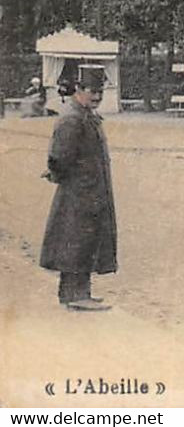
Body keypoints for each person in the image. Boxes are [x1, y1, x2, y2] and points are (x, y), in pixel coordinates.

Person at [40, 75, 117, 311]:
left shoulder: (84, 116)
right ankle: (75, 294)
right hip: (78, 192)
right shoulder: (72, 119)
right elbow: (59, 156)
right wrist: (57, 174)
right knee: (75, 240)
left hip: (90, 190)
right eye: (92, 92)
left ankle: (80, 292)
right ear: (79, 90)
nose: (96, 97)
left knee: (86, 240)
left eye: (100, 93)